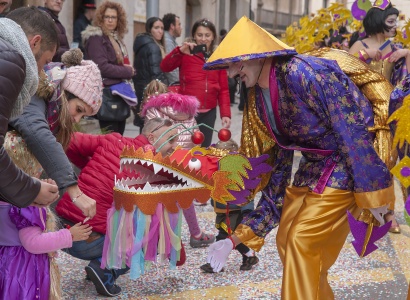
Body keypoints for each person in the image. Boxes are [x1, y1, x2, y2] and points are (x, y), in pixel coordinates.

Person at [204, 16, 394, 300]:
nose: (231, 74)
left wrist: (376, 195)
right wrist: (234, 239)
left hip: (347, 164)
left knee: (301, 241)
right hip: (312, 167)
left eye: (235, 64)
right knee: (286, 239)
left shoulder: (304, 73)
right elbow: (277, 171)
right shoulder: (258, 99)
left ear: (258, 56)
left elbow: (351, 129)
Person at [55, 118, 180, 297]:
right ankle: (105, 270)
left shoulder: (112, 140)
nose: (175, 145)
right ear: (151, 138)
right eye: (171, 139)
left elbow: (70, 141)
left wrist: (84, 168)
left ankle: (100, 263)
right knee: (150, 234)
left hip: (59, 231)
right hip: (88, 242)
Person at [9, 48, 103, 220]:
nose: (76, 119)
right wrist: (74, 190)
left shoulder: (52, 109)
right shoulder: (36, 90)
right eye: (79, 110)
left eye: (83, 117)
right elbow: (35, 131)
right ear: (66, 92)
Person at [0, 132, 93, 299]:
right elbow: (33, 243)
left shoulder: (5, 197)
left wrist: (44, 197)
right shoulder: (27, 203)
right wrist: (69, 235)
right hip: (23, 270)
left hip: (6, 261)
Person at [348, 1, 408, 233]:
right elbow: (343, 71)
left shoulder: (397, 47)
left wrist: (407, 53)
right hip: (363, 112)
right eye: (391, 22)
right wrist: (364, 55)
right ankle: (368, 209)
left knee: (389, 161)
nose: (395, 27)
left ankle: (388, 212)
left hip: (390, 112)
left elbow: (406, 80)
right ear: (377, 21)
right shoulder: (358, 45)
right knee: (367, 163)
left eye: (396, 22)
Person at [140, 80, 215, 247]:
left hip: (164, 159)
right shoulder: (186, 109)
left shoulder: (153, 110)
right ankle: (195, 233)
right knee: (184, 198)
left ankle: (158, 238)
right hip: (184, 159)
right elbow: (197, 136)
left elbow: (151, 137)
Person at [0, 7, 61, 207]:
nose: (42, 73)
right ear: (35, 43)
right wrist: (31, 190)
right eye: (45, 63)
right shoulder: (10, 61)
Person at [161, 18, 231, 147]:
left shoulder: (218, 58)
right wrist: (179, 52)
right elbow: (165, 67)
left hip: (209, 112)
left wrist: (225, 114)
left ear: (213, 37)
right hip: (187, 112)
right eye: (199, 35)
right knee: (184, 148)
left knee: (204, 149)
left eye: (207, 35)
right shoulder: (185, 53)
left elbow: (224, 90)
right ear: (194, 36)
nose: (203, 39)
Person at [200, 139, 258, 273]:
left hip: (236, 211)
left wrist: (247, 210)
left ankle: (215, 264)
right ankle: (249, 256)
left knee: (226, 237)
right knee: (228, 238)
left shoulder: (240, 172)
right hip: (222, 211)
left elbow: (247, 191)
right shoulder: (216, 171)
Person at [82, 1, 134, 135]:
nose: (110, 20)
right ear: (101, 18)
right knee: (110, 139)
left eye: (114, 17)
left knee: (119, 138)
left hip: (119, 92)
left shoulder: (115, 38)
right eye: (107, 17)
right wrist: (127, 71)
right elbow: (102, 67)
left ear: (119, 20)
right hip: (107, 93)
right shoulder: (96, 37)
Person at [132, 16, 168, 131]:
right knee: (153, 128)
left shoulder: (142, 44)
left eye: (162, 28)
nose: (160, 31)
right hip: (152, 92)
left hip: (142, 90)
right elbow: (156, 74)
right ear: (149, 29)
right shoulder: (153, 47)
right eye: (156, 28)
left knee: (144, 127)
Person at [162, 13, 182, 85]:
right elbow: (171, 66)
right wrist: (176, 83)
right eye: (179, 24)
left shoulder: (171, 40)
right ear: (172, 26)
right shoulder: (168, 41)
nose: (181, 27)